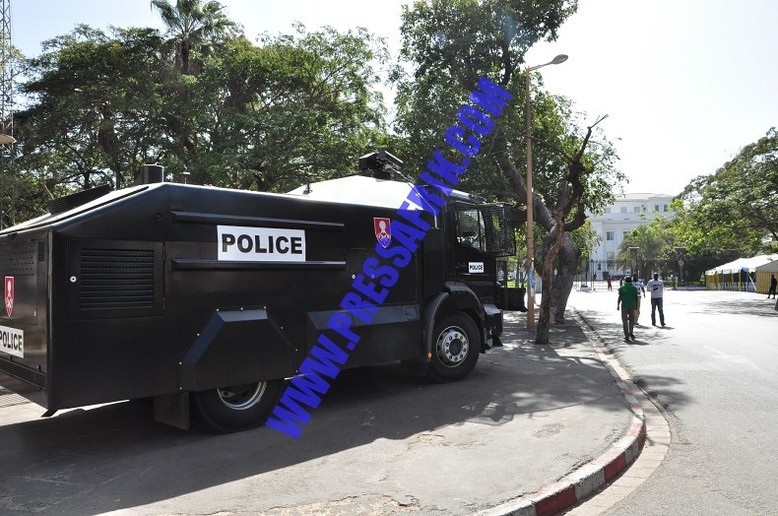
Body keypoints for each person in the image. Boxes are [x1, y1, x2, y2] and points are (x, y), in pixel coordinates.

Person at [617, 276, 639, 342]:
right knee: (632, 320)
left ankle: (626, 335)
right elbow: (636, 297)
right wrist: (636, 306)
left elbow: (620, 297)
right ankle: (631, 333)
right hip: (632, 306)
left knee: (625, 321)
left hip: (624, 306)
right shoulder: (634, 288)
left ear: (625, 281)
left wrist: (618, 305)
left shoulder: (622, 288)